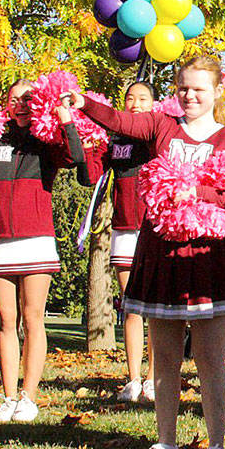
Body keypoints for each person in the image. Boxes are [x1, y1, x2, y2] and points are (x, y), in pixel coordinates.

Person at [67, 56, 225, 449]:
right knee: (164, 356)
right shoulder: (161, 126)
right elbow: (119, 120)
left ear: (218, 90)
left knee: (209, 358)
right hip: (161, 254)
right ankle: (165, 444)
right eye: (183, 87)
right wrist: (83, 104)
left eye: (198, 89)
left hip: (208, 259)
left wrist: (196, 191)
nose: (189, 95)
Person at [0, 79, 87, 424]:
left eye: (28, 98)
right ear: (6, 105)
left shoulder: (46, 137)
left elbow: (74, 156)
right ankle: (8, 396)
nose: (21, 104)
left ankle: (29, 396)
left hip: (36, 238)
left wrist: (64, 118)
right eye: (14, 99)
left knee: (33, 318)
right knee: (5, 321)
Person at [85, 82, 158, 403]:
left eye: (143, 98)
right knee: (131, 308)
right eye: (131, 98)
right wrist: (87, 144)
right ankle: (133, 378)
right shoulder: (113, 141)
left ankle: (155, 378)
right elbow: (90, 173)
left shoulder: (160, 135)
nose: (136, 103)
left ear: (154, 104)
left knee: (156, 310)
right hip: (124, 230)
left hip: (154, 228)